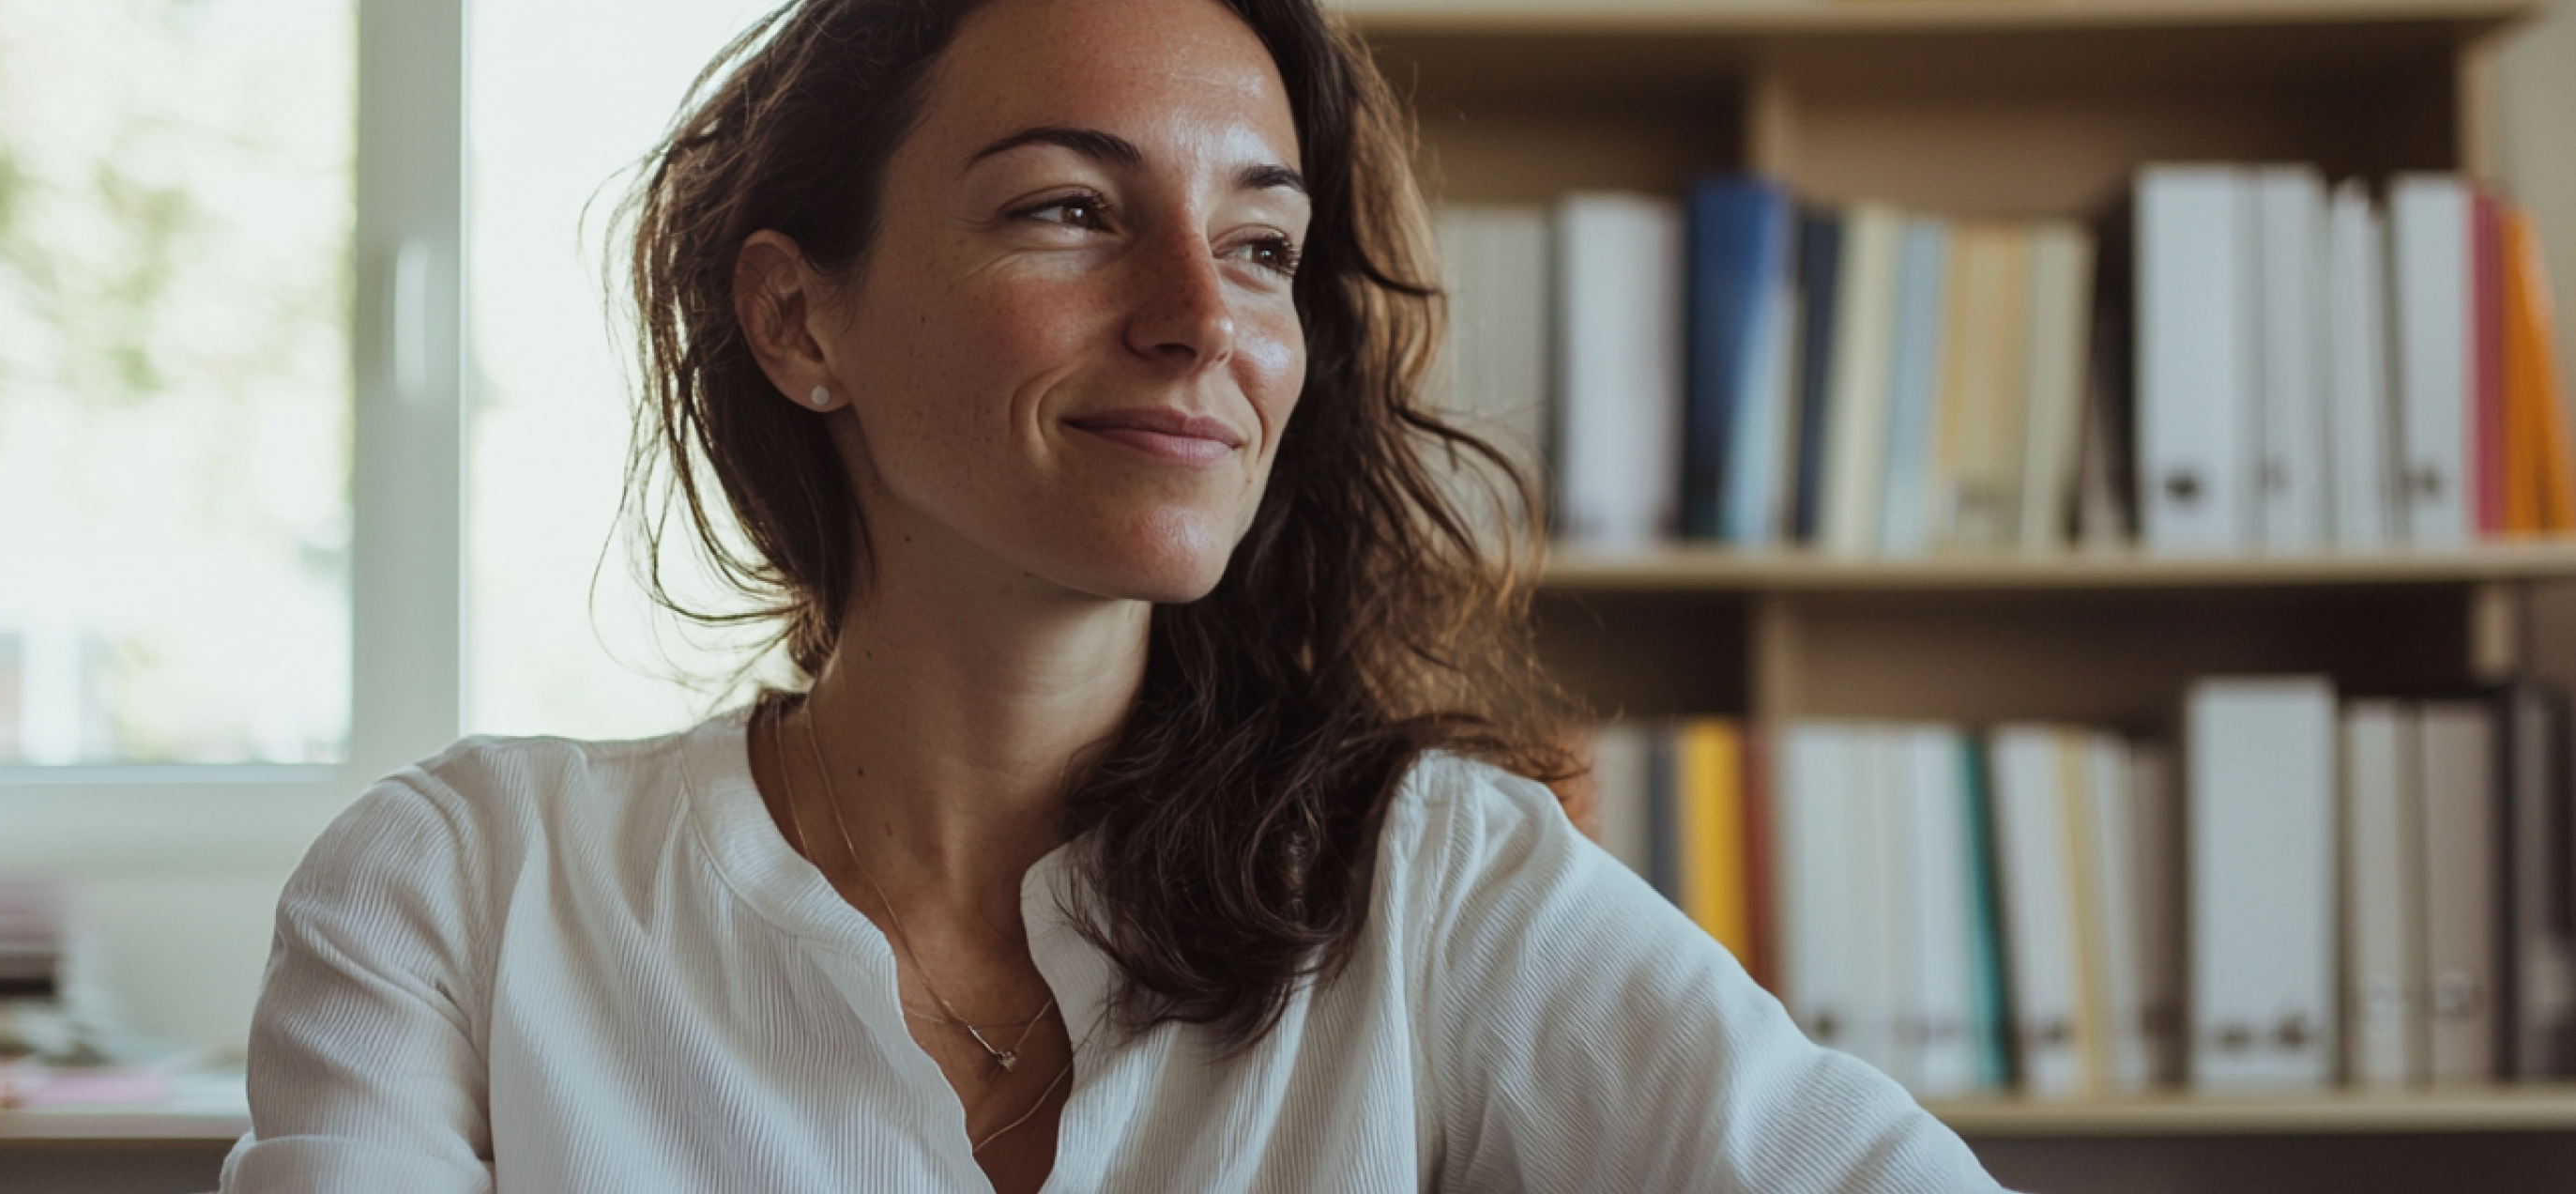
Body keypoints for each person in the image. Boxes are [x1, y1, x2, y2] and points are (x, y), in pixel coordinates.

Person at [220, 0, 2008, 1190]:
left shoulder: (1434, 878)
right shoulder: (465, 890)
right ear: (798, 318)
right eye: (1069, 211)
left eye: (1260, 245)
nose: (1201, 318)